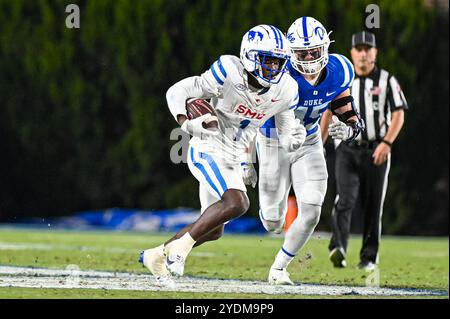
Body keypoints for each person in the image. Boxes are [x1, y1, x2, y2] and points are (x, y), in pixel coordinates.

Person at [139, 25, 306, 285]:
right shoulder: (229, 70)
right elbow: (177, 91)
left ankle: (157, 255)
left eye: (279, 62)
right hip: (207, 147)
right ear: (250, 56)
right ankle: (179, 252)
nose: (274, 68)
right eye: (268, 60)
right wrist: (187, 123)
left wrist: (294, 140)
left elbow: (285, 131)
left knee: (214, 230)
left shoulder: (286, 89)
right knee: (238, 203)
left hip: (233, 157)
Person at [256, 17, 365, 285]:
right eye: (302, 52)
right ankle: (270, 215)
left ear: (325, 47)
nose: (308, 58)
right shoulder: (279, 73)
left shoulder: (340, 70)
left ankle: (279, 268)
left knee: (313, 209)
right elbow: (256, 110)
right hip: (273, 141)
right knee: (272, 221)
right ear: (290, 52)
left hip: (309, 141)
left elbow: (345, 106)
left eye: (314, 51)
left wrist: (351, 127)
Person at [320, 31, 408, 271]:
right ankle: (337, 247)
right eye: (358, 49)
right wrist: (319, 144)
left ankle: (369, 257)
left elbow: (399, 113)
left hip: (376, 150)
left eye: (367, 49)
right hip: (347, 149)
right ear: (352, 53)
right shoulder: (343, 81)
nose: (362, 54)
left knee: (373, 204)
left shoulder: (387, 81)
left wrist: (387, 143)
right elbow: (328, 112)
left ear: (375, 53)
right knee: (344, 199)